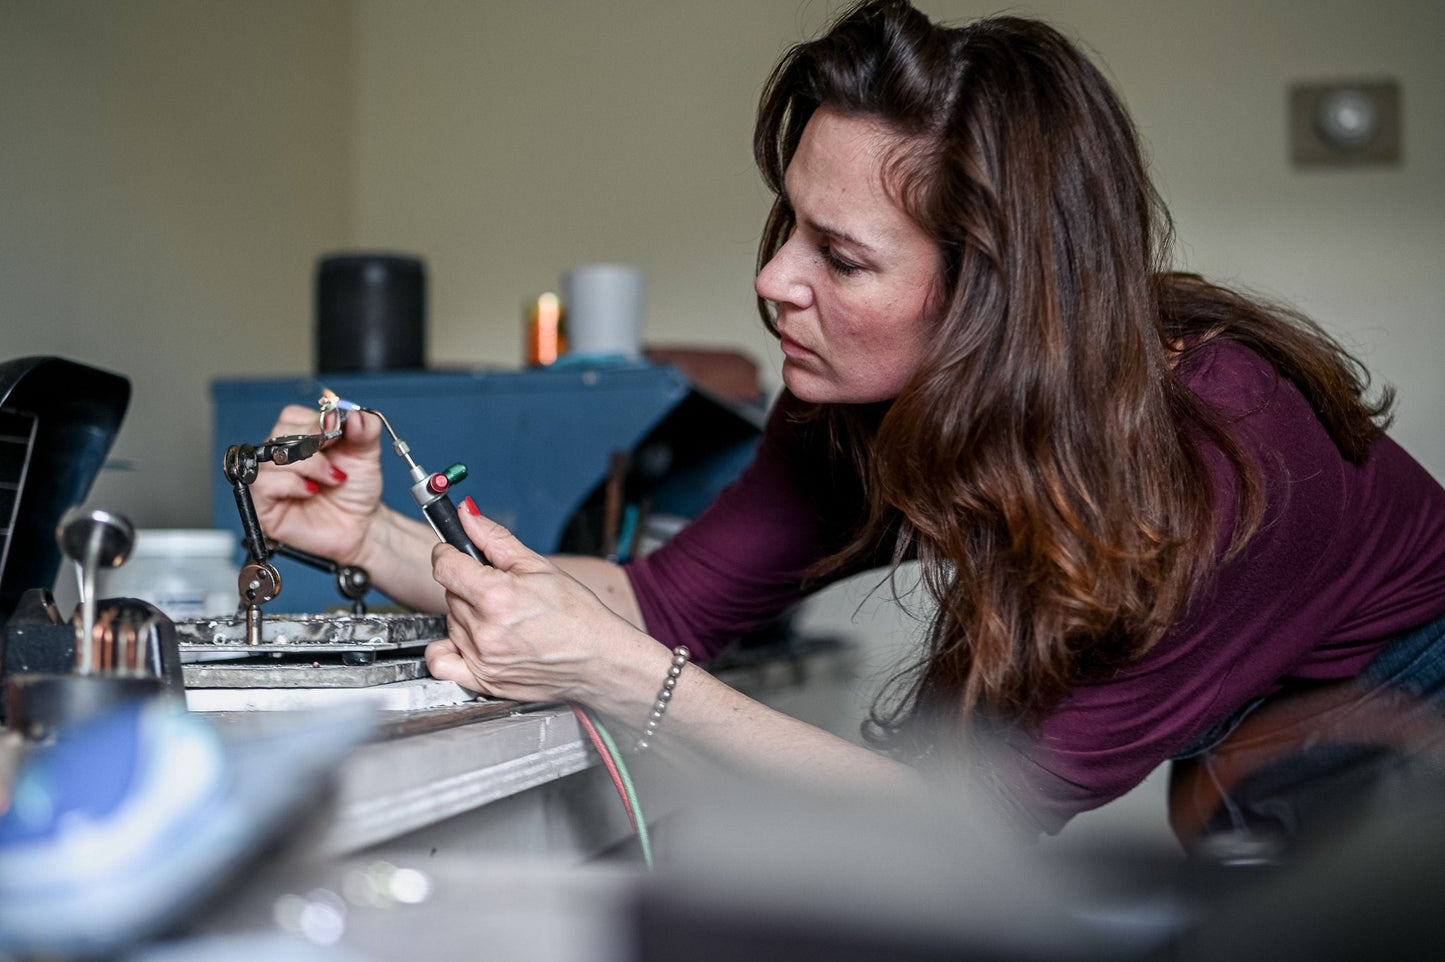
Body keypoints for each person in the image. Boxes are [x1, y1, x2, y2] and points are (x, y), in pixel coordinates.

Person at [251, 0, 1445, 839]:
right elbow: (662, 604)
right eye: (789, 225)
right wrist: (374, 542)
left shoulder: (1225, 453)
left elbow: (972, 820)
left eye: (841, 255)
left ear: (993, 295)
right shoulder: (847, 401)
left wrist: (624, 678)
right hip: (1258, 743)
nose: (775, 279)